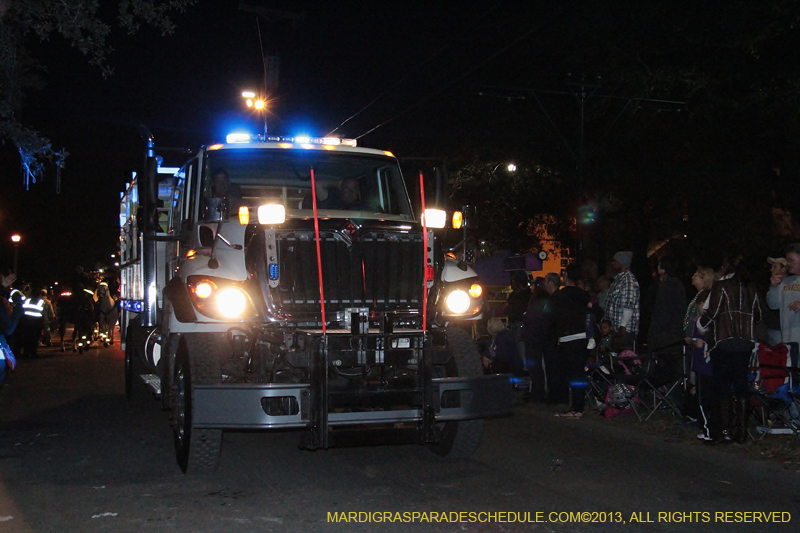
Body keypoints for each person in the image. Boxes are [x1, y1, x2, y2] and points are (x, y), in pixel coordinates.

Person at [698, 260, 761, 445]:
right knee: (741, 386)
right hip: (744, 343)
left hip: (724, 342)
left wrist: (701, 324)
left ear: (725, 269)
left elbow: (714, 311)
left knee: (723, 386)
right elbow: (758, 315)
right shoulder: (751, 288)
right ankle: (741, 432)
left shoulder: (721, 286)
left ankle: (725, 431)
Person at [548, 264, 591, 418]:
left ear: (566, 276)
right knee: (578, 373)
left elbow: (552, 317)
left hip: (566, 337)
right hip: (581, 337)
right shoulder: (583, 295)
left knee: (570, 374)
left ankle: (575, 408)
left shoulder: (560, 296)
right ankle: (579, 405)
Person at [684, 267, 715, 441]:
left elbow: (702, 338)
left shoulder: (706, 300)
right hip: (700, 358)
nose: (692, 277)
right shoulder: (698, 298)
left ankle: (707, 427)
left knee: (704, 392)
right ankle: (700, 418)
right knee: (699, 387)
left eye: (696, 275)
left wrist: (691, 339)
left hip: (704, 358)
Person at [647, 256, 686, 352]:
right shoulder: (675, 283)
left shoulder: (667, 285)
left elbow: (663, 310)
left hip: (665, 333)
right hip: (673, 331)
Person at [604, 251, 640, 351]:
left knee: (623, 360)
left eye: (615, 261)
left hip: (624, 332)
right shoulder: (618, 280)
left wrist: (623, 326)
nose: (613, 263)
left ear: (622, 263)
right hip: (615, 329)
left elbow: (628, 305)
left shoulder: (628, 281)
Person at [522, 279, 550, 401]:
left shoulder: (538, 301)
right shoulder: (542, 300)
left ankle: (537, 393)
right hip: (537, 336)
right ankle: (536, 391)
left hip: (534, 337)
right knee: (536, 366)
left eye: (532, 285)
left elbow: (532, 318)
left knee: (535, 366)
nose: (531, 287)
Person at [767, 244, 800, 345]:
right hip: (788, 340)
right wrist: (774, 287)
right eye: (787, 260)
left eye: (791, 260)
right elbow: (773, 305)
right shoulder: (785, 282)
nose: (787, 264)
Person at [505, 271, 531, 370]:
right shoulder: (528, 294)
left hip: (519, 325)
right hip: (518, 325)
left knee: (521, 349)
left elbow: (508, 309)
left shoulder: (522, 295)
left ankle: (524, 371)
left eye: (513, 280)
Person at [764, 257, 786, 346]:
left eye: (775, 267)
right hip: (774, 328)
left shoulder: (793, 284)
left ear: (783, 269)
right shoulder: (773, 286)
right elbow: (772, 305)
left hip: (790, 329)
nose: (771, 270)